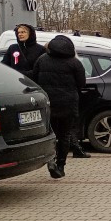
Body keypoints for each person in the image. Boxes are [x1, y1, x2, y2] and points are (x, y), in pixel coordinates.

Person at [29, 36, 86, 179]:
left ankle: (51, 160)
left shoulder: (42, 59)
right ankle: (60, 165)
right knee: (65, 135)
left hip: (49, 103)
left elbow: (34, 78)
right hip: (68, 103)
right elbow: (82, 83)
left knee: (50, 134)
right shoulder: (75, 63)